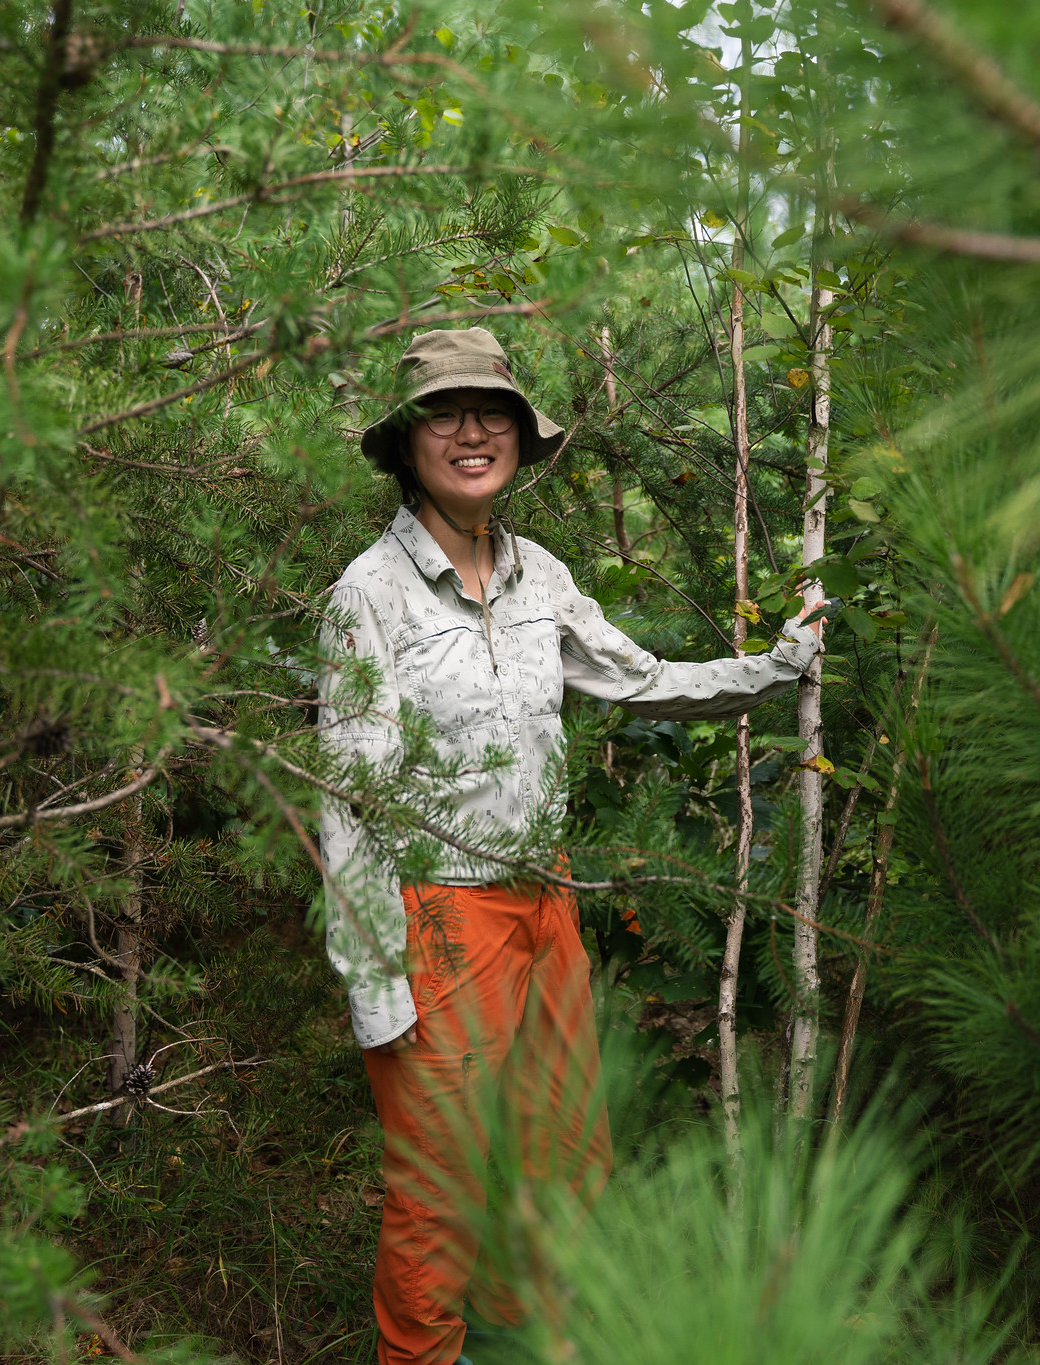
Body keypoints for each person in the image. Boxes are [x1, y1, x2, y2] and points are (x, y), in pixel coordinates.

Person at [317, 327, 822, 1365]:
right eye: (444, 414)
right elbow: (349, 802)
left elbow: (638, 680)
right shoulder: (367, 596)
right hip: (435, 919)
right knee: (442, 1189)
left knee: (557, 1166)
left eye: (490, 412)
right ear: (405, 443)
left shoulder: (539, 575)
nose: (470, 432)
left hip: (544, 911)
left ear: (517, 437)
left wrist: (771, 670)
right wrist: (376, 985)